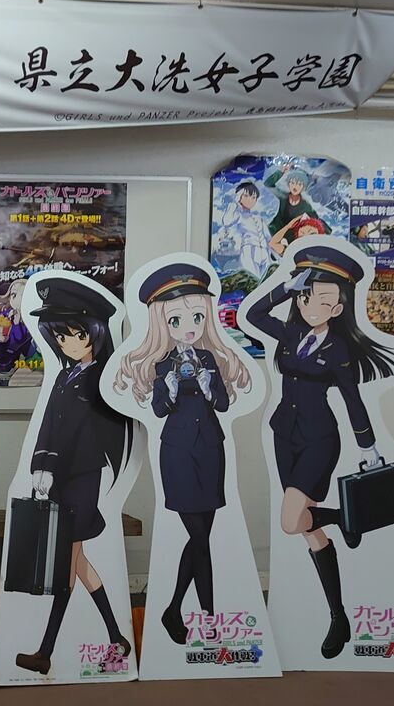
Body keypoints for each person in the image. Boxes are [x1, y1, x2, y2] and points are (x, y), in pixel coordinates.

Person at [244, 244, 394, 660]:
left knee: (290, 521)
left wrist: (368, 447)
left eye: (323, 301)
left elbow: (352, 399)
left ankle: (343, 517)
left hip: (319, 439)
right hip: (285, 435)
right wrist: (284, 287)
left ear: (337, 308)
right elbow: (252, 315)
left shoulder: (338, 349)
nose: (311, 305)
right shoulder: (290, 333)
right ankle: (339, 616)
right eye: (306, 296)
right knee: (308, 530)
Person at [114, 264, 251, 645]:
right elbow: (159, 410)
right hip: (177, 453)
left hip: (210, 450)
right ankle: (202, 616)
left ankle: (179, 611)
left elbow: (222, 403)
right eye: (176, 319)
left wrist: (207, 384)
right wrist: (171, 386)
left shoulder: (208, 359)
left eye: (197, 317)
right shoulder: (161, 364)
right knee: (200, 538)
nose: (189, 326)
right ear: (163, 323)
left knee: (201, 536)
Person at [15, 277, 132, 675]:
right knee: (77, 562)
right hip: (60, 478)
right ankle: (116, 638)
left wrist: (49, 466)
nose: (67, 343)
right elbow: (49, 425)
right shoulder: (65, 376)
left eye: (76, 335)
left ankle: (46, 651)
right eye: (61, 336)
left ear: (94, 333)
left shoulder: (99, 378)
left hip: (81, 477)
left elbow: (76, 432)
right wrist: (39, 467)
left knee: (67, 561)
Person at [0, 278, 31, 385]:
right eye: (14, 295)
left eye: (22, 295)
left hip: (6, 355)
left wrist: (16, 323)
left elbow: (19, 339)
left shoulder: (26, 322)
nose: (17, 300)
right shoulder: (6, 313)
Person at [217, 181, 270, 278]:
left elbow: (268, 237)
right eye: (246, 196)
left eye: (254, 197)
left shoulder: (258, 218)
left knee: (266, 281)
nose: (250, 200)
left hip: (264, 252)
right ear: (239, 197)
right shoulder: (239, 215)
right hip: (249, 250)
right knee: (253, 279)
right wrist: (234, 203)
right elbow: (226, 221)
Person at [265, 162, 320, 244]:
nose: (295, 186)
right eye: (292, 182)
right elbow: (268, 184)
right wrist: (281, 172)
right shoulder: (283, 196)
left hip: (293, 237)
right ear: (288, 184)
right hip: (276, 230)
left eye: (299, 184)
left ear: (303, 187)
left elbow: (316, 221)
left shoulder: (306, 205)